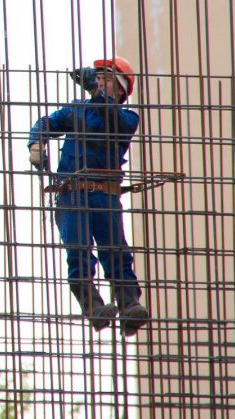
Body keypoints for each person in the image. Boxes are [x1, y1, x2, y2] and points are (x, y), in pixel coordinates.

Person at [27, 56, 150, 337]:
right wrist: (37, 141)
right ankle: (93, 307)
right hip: (72, 195)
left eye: (106, 79)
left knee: (115, 251)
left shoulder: (127, 117)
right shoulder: (76, 111)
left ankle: (129, 305)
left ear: (121, 90)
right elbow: (47, 122)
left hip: (104, 195)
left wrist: (95, 92)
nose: (99, 82)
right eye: (98, 78)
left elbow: (112, 118)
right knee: (79, 253)